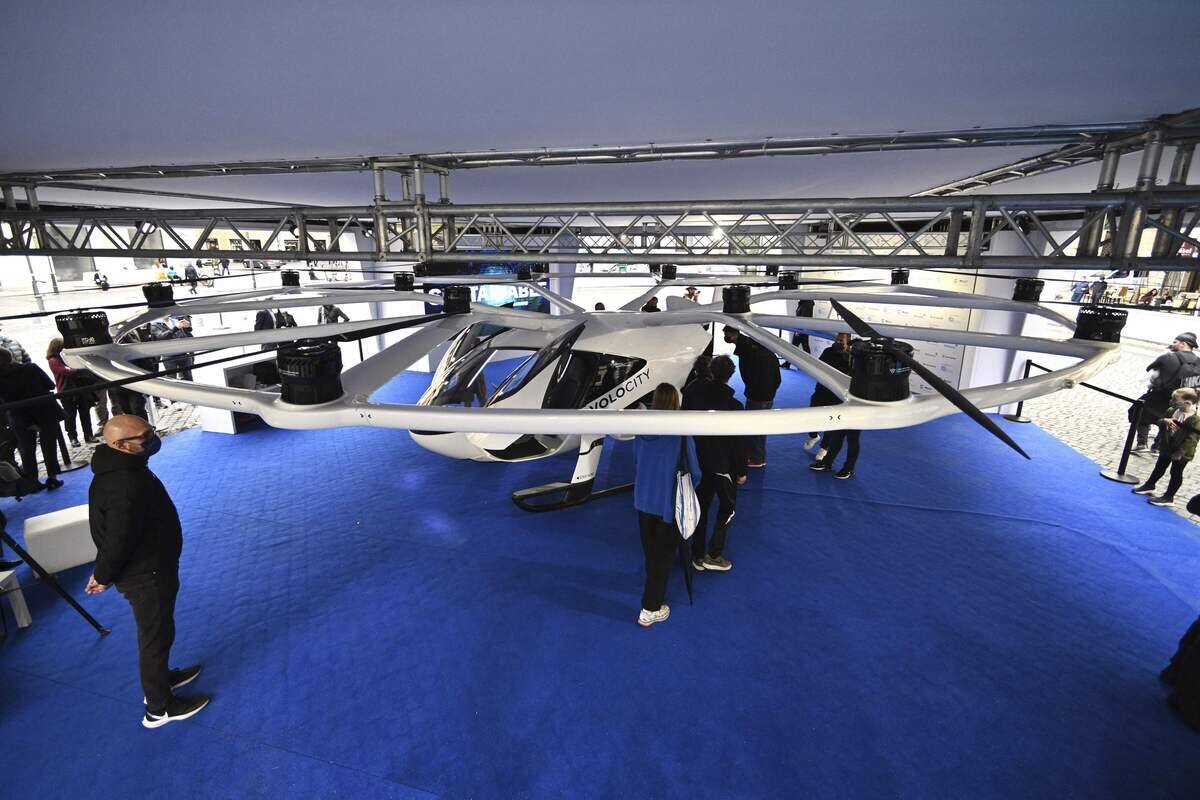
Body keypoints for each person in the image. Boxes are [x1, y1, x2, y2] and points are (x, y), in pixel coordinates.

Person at [85, 415, 209, 728]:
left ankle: (162, 679)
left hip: (151, 565)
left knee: (160, 630)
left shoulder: (123, 466)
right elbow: (118, 539)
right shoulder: (124, 484)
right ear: (120, 444)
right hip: (146, 574)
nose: (152, 438)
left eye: (150, 431)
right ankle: (159, 707)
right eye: (144, 436)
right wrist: (103, 575)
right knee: (155, 636)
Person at [633, 383, 700, 628]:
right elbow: (695, 472)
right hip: (668, 506)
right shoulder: (680, 434)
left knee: (651, 551)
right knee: (663, 558)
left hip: (643, 500)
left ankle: (651, 587)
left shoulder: (641, 431)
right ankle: (650, 608)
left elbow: (636, 462)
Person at [682, 356, 747, 572]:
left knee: (701, 507)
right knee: (727, 509)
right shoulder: (735, 406)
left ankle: (698, 554)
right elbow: (739, 443)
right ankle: (714, 555)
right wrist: (741, 470)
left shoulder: (697, 397)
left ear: (711, 372)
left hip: (700, 463)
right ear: (731, 375)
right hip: (724, 468)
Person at [0, 348, 64, 489]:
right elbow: (50, 384)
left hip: (19, 416)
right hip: (44, 411)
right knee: (49, 446)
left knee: (27, 450)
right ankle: (52, 478)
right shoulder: (31, 368)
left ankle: (32, 481)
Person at [722, 325, 781, 468]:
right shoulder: (769, 354)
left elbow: (751, 376)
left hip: (757, 396)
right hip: (767, 395)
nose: (726, 337)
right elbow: (777, 379)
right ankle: (758, 456)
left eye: (727, 334)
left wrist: (751, 389)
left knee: (754, 426)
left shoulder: (751, 353)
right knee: (761, 426)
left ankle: (756, 459)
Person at [1132, 332, 1200, 453]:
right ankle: (1157, 447)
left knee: (1138, 412)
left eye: (1175, 342)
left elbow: (1149, 368)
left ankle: (1142, 443)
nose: (1172, 344)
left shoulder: (1169, 357)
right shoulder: (1198, 361)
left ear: (1183, 344)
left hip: (1159, 395)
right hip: (1182, 399)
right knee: (1171, 420)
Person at [1132, 387, 1200, 506]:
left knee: (1176, 473)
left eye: (1175, 399)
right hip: (1167, 446)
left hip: (1182, 452)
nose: (1171, 401)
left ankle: (1169, 496)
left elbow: (1192, 439)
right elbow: (1160, 422)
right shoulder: (1172, 411)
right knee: (1159, 467)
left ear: (1187, 403)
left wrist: (1180, 452)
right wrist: (1164, 421)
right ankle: (1150, 485)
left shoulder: (1195, 419)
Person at [804, 332, 854, 459]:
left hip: (837, 394)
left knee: (830, 421)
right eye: (837, 340)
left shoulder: (851, 357)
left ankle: (824, 448)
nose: (838, 342)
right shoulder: (828, 351)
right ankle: (813, 436)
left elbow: (852, 376)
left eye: (841, 341)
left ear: (848, 342)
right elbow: (819, 366)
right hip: (822, 389)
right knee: (813, 415)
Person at [47, 337, 98, 446]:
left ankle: (89, 435)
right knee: (70, 415)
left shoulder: (69, 357)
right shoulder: (53, 360)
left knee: (85, 413)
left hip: (80, 389)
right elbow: (65, 371)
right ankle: (73, 438)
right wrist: (78, 370)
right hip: (66, 391)